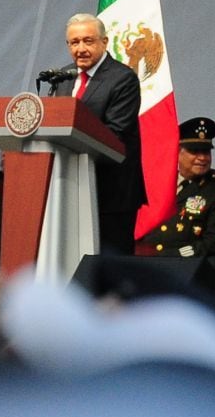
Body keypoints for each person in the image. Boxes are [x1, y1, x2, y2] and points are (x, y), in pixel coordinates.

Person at [52, 13, 145, 256]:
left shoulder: (122, 79)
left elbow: (115, 135)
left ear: (104, 42)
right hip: (68, 187)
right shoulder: (62, 78)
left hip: (111, 193)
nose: (80, 49)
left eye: (88, 41)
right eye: (74, 42)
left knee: (110, 269)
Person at [136, 117, 215, 258]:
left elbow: (214, 243)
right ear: (177, 152)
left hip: (185, 264)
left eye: (206, 152)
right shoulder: (156, 182)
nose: (202, 158)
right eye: (194, 151)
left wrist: (167, 255)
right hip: (143, 260)